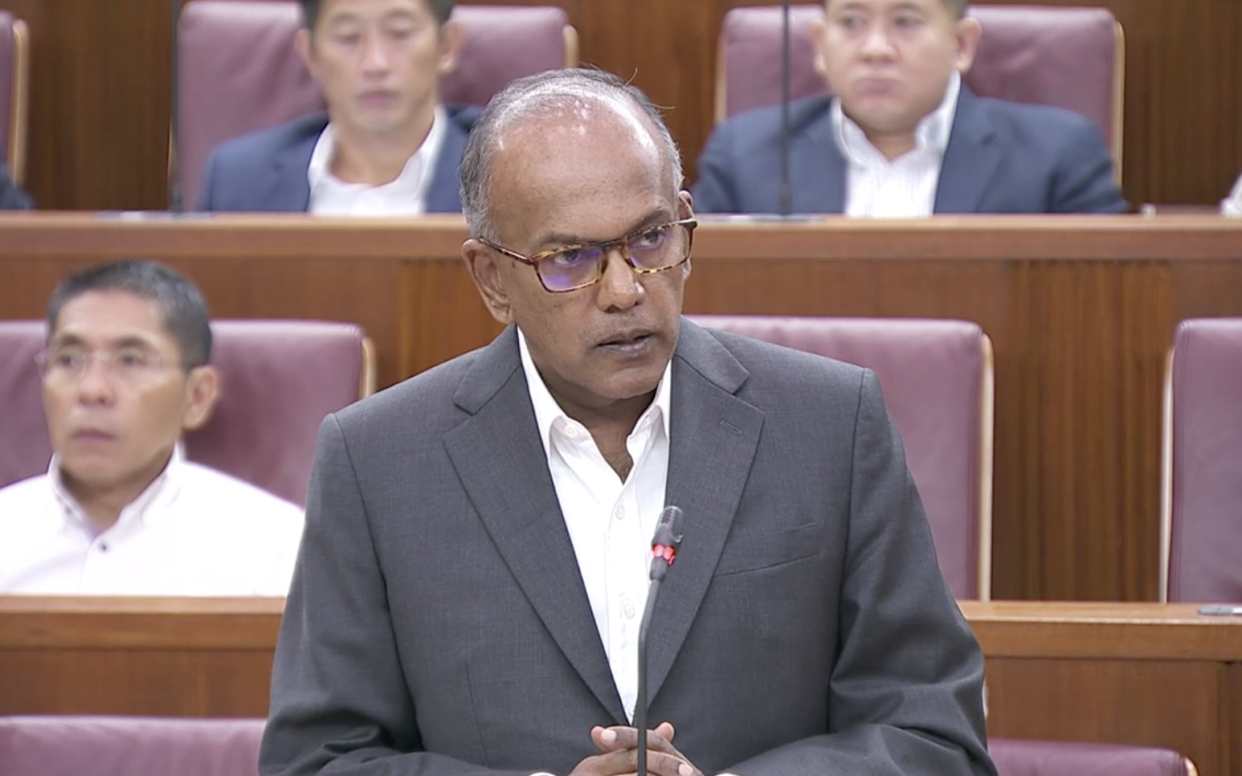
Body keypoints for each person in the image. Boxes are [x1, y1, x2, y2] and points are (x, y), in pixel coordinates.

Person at [260, 68, 993, 776]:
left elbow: (934, 736)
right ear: (491, 279)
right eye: (570, 257)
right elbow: (317, 759)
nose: (622, 291)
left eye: (649, 239)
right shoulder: (379, 460)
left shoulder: (830, 424)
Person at [0, 260, 304, 595]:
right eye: (69, 359)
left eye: (131, 360)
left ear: (197, 396)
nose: (91, 390)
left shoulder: (275, 546)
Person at [692, 0, 1128, 216]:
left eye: (905, 21)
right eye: (851, 22)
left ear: (961, 44)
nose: (876, 49)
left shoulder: (1058, 157)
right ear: (820, 46)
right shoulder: (744, 156)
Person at [196, 0, 474, 214]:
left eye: (400, 34)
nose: (375, 64)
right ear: (310, 54)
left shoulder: (500, 175)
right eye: (348, 37)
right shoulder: (239, 181)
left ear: (446, 46)